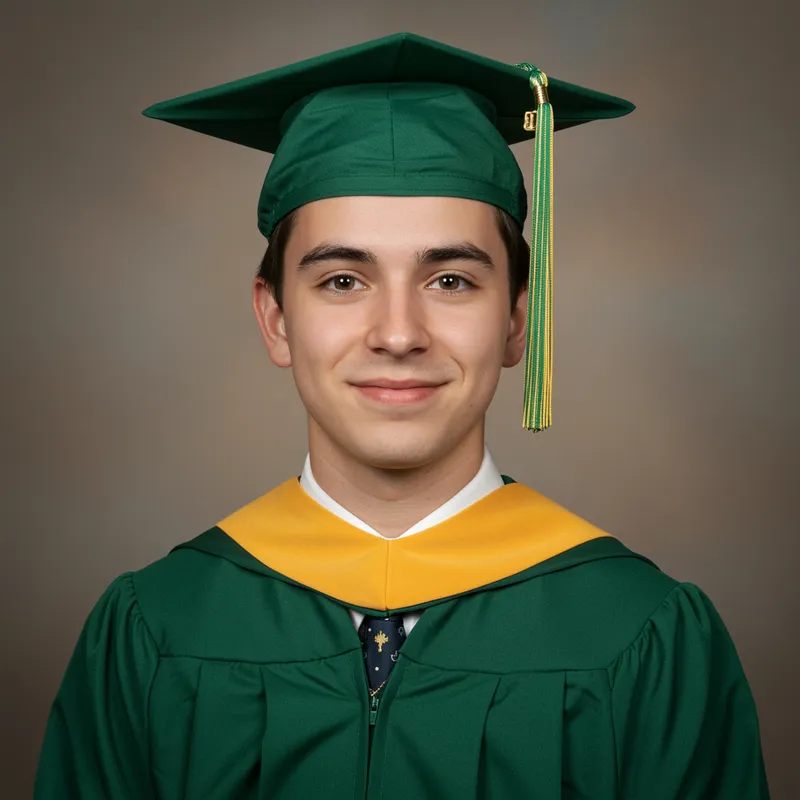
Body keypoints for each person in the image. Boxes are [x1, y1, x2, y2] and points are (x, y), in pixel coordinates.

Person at [34, 32, 770, 799]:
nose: (397, 333)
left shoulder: (645, 636)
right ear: (276, 317)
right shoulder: (153, 631)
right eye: (344, 280)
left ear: (517, 319)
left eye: (451, 280)